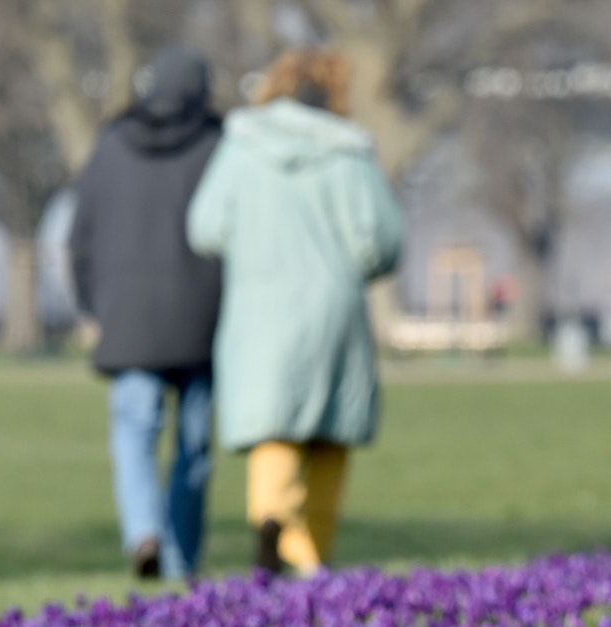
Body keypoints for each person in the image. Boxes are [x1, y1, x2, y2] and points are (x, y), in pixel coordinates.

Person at [188, 49, 405, 579]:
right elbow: (380, 244)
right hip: (333, 305)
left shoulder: (241, 149)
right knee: (330, 435)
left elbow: (206, 227)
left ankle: (271, 522)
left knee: (274, 426)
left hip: (260, 306)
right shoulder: (350, 154)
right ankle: (314, 560)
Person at [66, 45, 225, 581]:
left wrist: (94, 303)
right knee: (194, 446)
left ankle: (144, 532)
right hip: (203, 319)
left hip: (127, 319)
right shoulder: (218, 145)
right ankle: (182, 561)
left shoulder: (111, 144)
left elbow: (79, 236)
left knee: (133, 432)